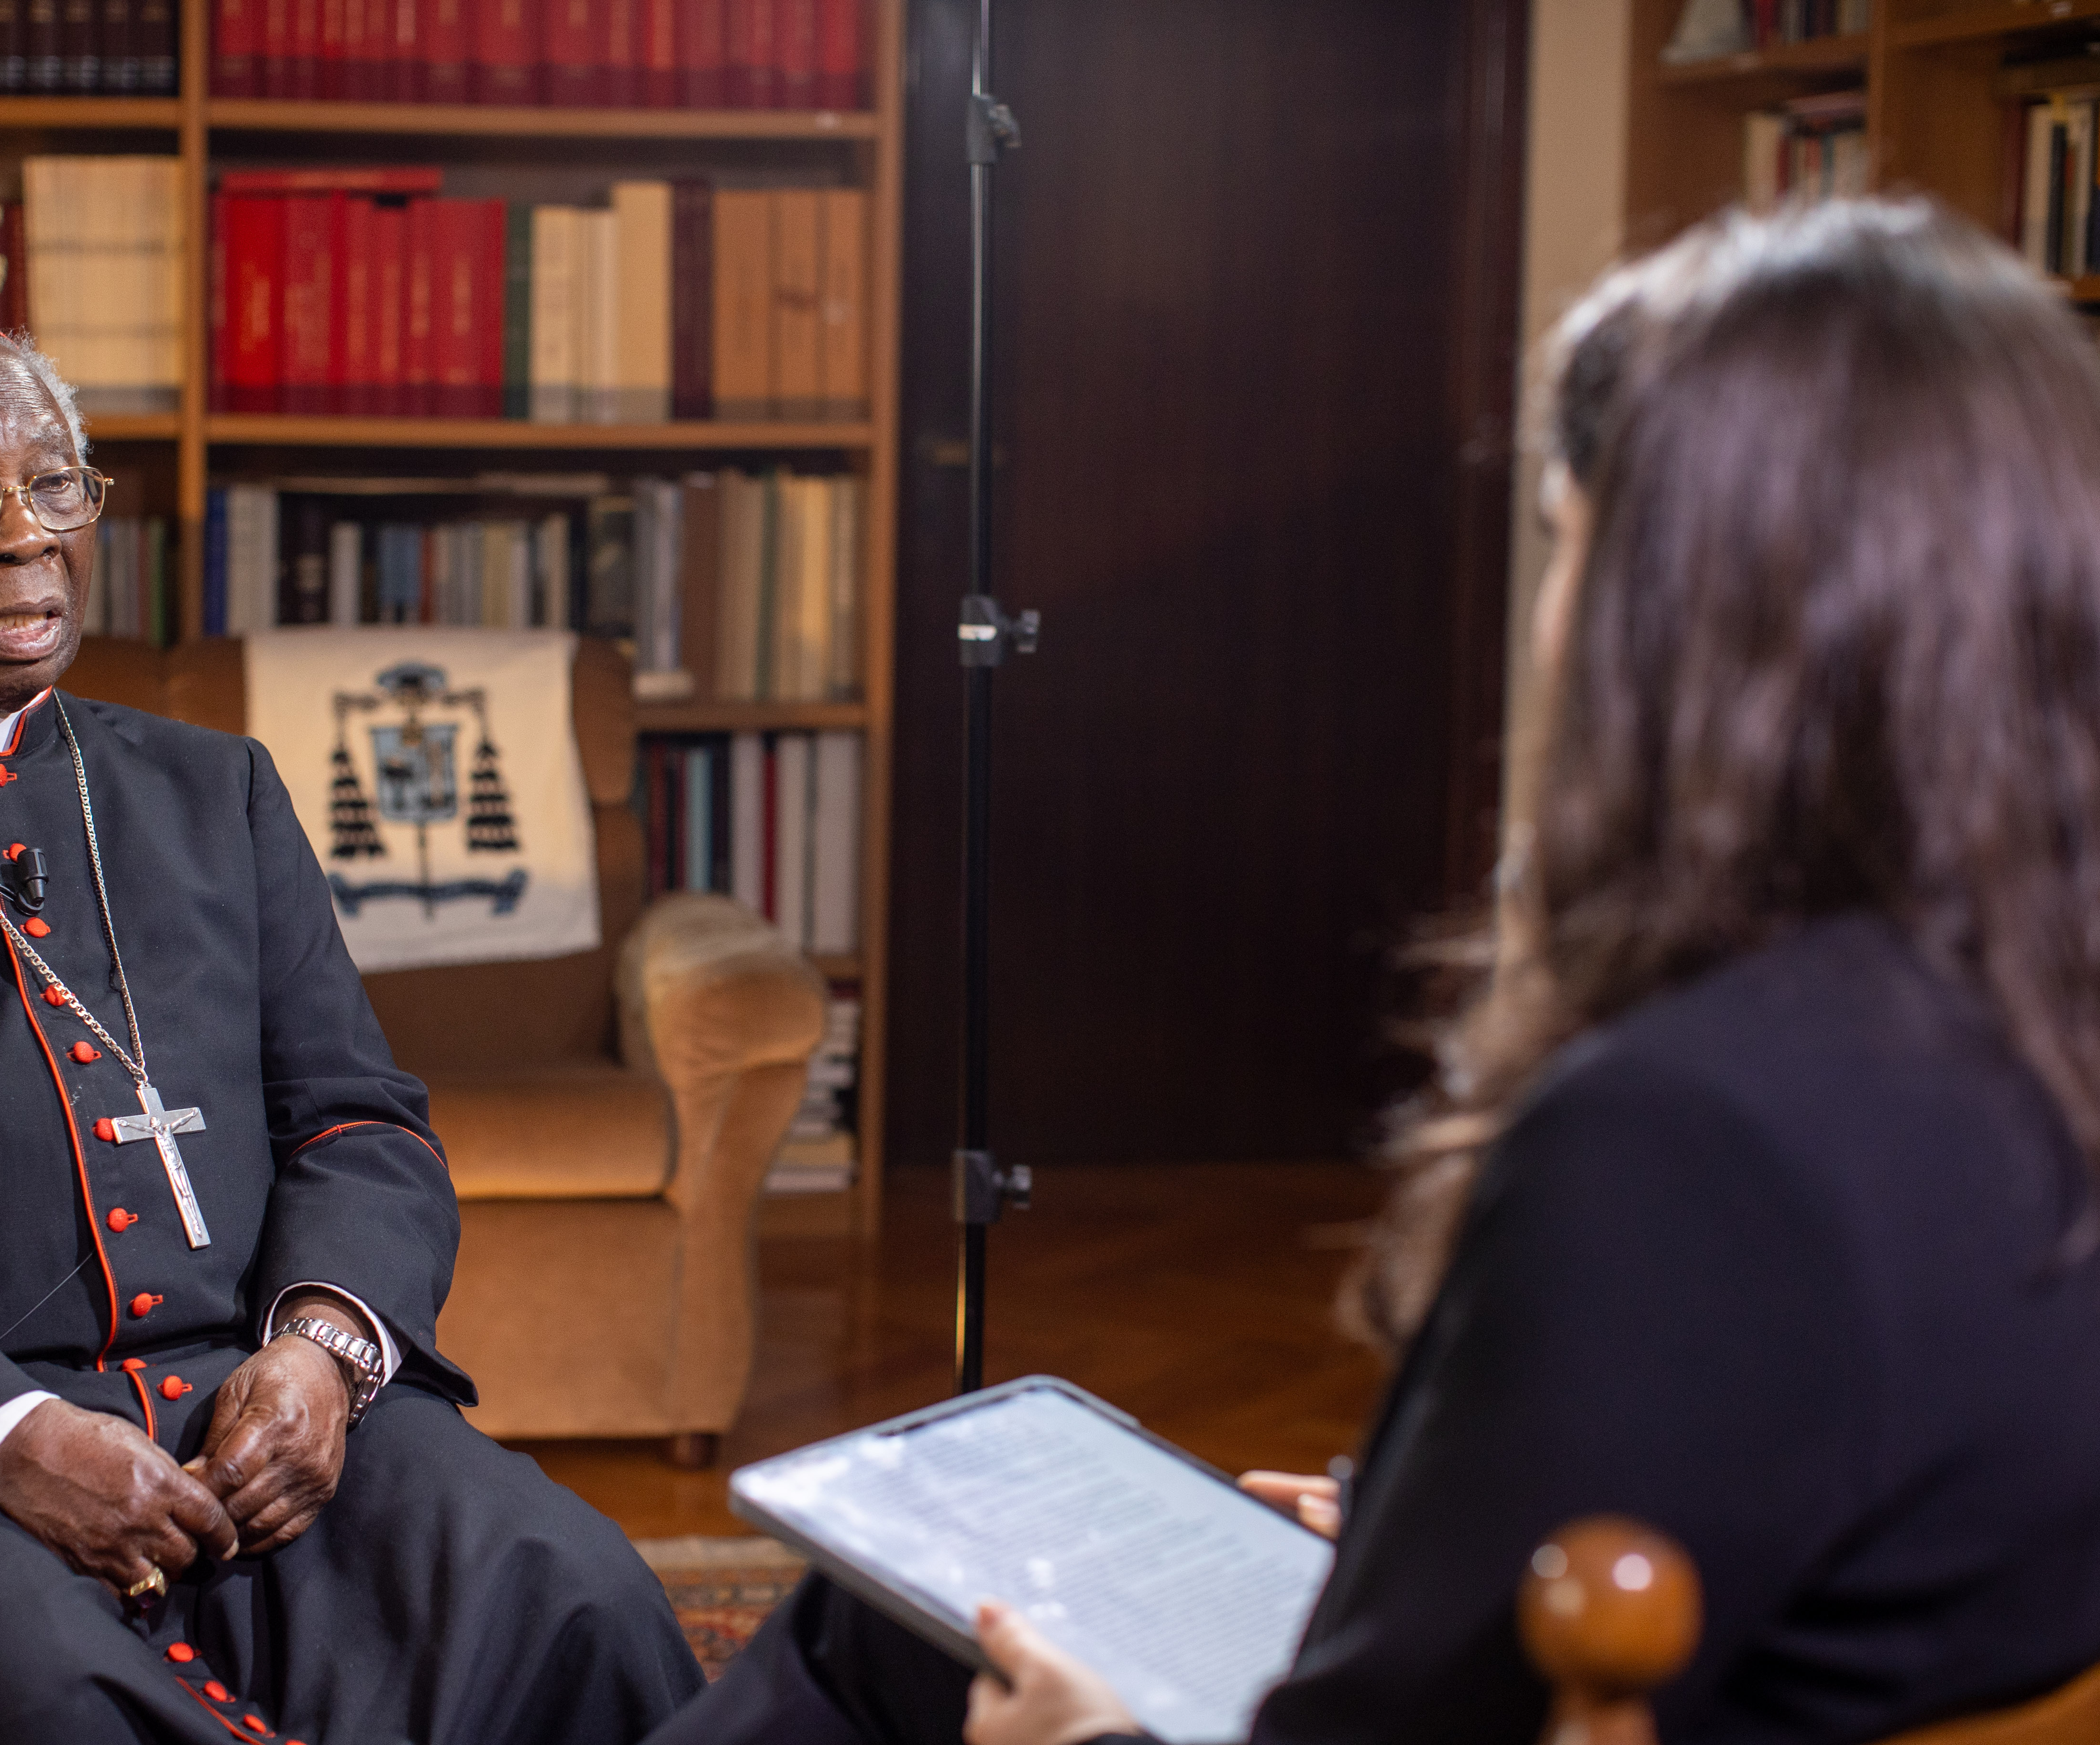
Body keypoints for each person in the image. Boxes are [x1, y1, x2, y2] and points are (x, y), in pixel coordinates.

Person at [652, 198, 2100, 1745]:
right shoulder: (2026, 1030)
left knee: (870, 1628)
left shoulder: (1690, 1138)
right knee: (891, 1620)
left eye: (1567, 544)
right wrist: (1438, 1535)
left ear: (1679, 621)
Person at [0, 310, 707, 1744]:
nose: (26, 536)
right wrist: (3, 1437)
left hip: (237, 1404)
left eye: (57, 485)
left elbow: (356, 1121)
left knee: (576, 1594)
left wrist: (320, 1351)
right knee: (29, 1694)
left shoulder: (218, 791)